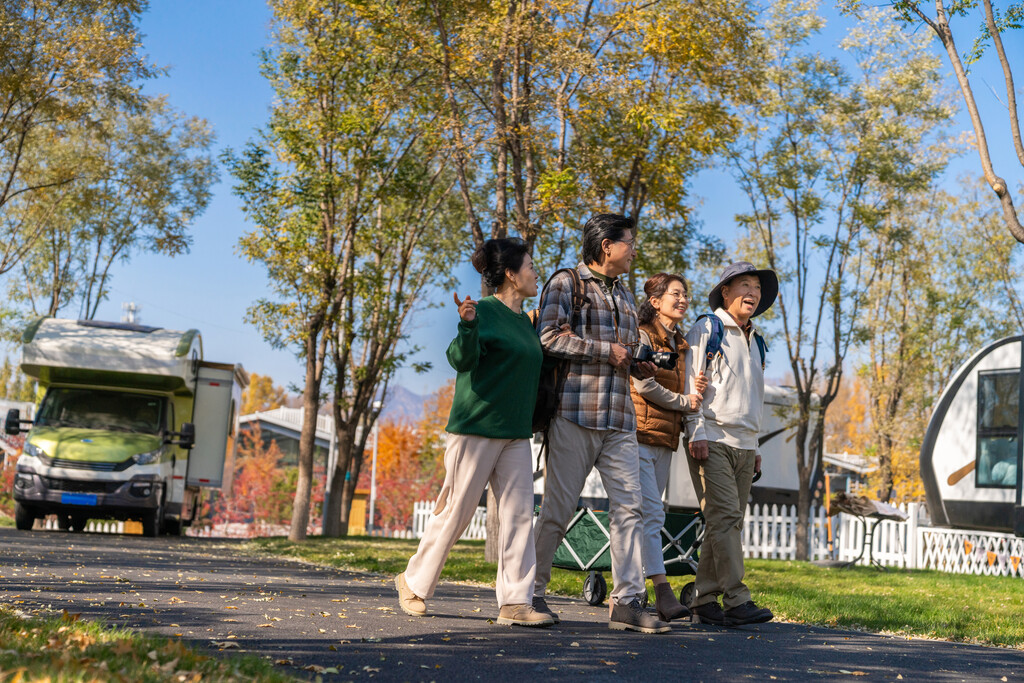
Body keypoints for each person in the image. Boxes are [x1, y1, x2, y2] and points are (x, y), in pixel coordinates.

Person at [394, 237, 553, 627]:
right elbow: (460, 360)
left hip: (516, 432)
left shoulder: (525, 321)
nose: (537, 273)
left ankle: (515, 602)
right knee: (457, 511)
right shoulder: (482, 310)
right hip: (476, 426)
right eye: (531, 266)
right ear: (512, 276)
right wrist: (466, 326)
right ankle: (412, 582)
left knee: (518, 516)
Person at [532, 213, 670, 634]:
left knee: (631, 508)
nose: (634, 249)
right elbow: (548, 337)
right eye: (629, 241)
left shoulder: (627, 295)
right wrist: (603, 350)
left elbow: (623, 352)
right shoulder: (565, 283)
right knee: (557, 510)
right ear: (606, 246)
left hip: (620, 420)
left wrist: (639, 363)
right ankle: (531, 591)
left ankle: (626, 602)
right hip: (574, 415)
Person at [684, 261, 778, 626]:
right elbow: (692, 383)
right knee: (724, 518)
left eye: (757, 287)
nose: (752, 293)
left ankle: (704, 599)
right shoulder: (708, 328)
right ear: (726, 291)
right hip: (713, 438)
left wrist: (755, 447)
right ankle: (737, 599)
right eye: (745, 285)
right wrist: (696, 430)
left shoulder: (757, 340)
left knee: (726, 523)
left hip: (744, 444)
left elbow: (752, 399)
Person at [629, 273, 708, 621]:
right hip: (636, 434)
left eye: (686, 294)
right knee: (651, 514)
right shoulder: (642, 334)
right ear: (656, 300)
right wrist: (685, 401)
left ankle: (633, 592)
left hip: (664, 438)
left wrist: (693, 392)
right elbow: (644, 386)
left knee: (645, 515)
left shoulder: (680, 344)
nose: (683, 299)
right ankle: (660, 591)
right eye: (675, 294)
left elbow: (686, 389)